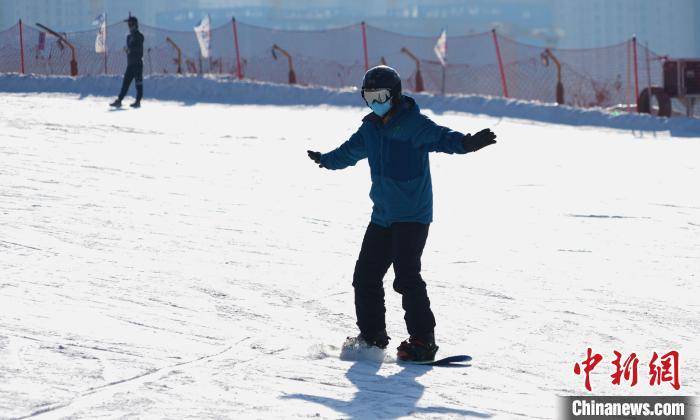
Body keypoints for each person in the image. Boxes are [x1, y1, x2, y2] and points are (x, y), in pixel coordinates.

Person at [307, 65, 497, 362]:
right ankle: (372, 337)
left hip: (412, 216)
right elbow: (349, 151)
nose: (375, 103)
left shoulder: (413, 124)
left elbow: (442, 137)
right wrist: (326, 160)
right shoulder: (370, 128)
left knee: (406, 277)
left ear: (394, 96)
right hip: (382, 216)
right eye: (369, 97)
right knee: (365, 277)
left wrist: (466, 143)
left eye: (381, 96)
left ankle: (424, 341)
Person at [110, 16, 144, 108]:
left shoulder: (139, 36)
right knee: (125, 83)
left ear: (134, 25)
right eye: (129, 25)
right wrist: (128, 50)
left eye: (130, 24)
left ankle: (138, 101)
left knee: (138, 83)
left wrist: (130, 50)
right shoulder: (129, 37)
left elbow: (138, 49)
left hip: (137, 63)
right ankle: (119, 100)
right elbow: (130, 49)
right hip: (131, 64)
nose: (129, 26)